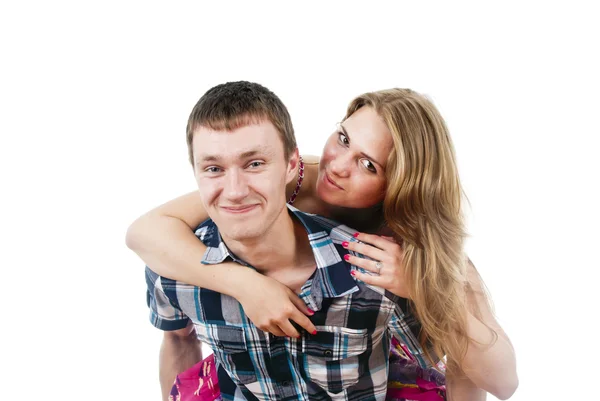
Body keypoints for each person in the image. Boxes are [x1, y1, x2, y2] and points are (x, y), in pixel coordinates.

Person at [129, 83, 518, 400]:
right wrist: (245, 284)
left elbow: (501, 381)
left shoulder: (414, 244)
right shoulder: (292, 179)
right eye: (344, 137)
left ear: (403, 186)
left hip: (362, 363)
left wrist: (426, 288)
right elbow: (146, 231)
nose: (337, 165)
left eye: (369, 165)